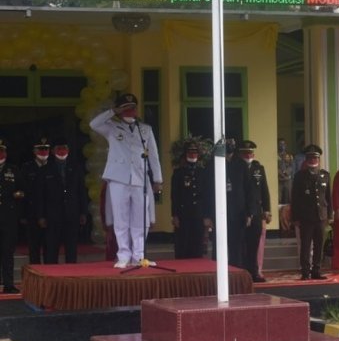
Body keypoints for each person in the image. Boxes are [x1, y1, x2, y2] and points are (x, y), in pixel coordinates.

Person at [90, 93, 163, 268]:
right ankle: (123, 254)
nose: (130, 111)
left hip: (139, 177)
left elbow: (153, 155)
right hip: (118, 178)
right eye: (126, 108)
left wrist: (158, 178)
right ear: (120, 110)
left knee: (141, 219)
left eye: (133, 107)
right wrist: (112, 111)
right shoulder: (112, 127)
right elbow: (93, 124)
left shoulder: (145, 129)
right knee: (121, 218)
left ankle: (139, 255)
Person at [36, 138, 87, 264]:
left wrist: (83, 212)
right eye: (59, 148)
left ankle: (71, 277)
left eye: (64, 148)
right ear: (53, 151)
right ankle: (51, 277)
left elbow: (82, 192)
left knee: (71, 248)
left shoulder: (76, 168)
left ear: (68, 150)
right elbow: (40, 195)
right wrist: (41, 216)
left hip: (72, 213)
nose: (62, 151)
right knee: (51, 248)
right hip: (52, 215)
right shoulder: (45, 170)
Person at [203, 137, 251, 268]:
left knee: (237, 248)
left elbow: (249, 190)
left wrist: (249, 213)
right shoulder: (213, 165)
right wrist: (207, 215)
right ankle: (217, 275)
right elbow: (206, 192)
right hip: (217, 213)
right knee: (218, 247)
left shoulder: (241, 165)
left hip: (238, 213)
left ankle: (236, 275)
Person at [291, 144, 332, 280]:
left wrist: (329, 216)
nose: (312, 160)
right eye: (310, 158)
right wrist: (295, 217)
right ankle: (305, 271)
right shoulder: (300, 176)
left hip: (321, 216)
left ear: (319, 159)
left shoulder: (325, 175)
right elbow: (295, 198)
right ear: (306, 160)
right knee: (306, 246)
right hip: (306, 217)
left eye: (315, 158)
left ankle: (317, 270)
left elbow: (328, 197)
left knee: (319, 245)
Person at [170, 141, 210, 259]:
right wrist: (175, 215)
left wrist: (207, 216)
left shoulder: (203, 172)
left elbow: (207, 195)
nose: (193, 155)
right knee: (182, 245)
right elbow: (174, 195)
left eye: (195, 152)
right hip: (183, 214)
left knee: (197, 246)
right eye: (190, 152)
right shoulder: (178, 173)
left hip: (199, 214)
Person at [239, 140, 271, 282]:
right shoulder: (235, 168)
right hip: (241, 212)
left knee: (254, 244)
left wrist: (267, 210)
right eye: (245, 153)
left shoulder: (259, 168)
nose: (248, 155)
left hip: (257, 211)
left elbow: (264, 190)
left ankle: (254, 272)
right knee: (241, 244)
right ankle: (241, 273)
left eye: (250, 152)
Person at [20, 137, 50, 264]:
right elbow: (23, 193)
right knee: (34, 248)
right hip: (32, 213)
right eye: (40, 149)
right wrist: (23, 214)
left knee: (50, 248)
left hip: (50, 213)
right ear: (34, 150)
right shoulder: (27, 168)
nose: (43, 152)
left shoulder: (53, 166)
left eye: (45, 149)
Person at [0, 139, 23, 293]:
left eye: (2, 151)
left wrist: (19, 194)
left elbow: (22, 190)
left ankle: (8, 284)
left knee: (7, 251)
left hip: (8, 216)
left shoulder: (13, 169)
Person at [277, 138, 294, 204]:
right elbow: (274, 166)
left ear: (286, 145)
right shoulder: (275, 155)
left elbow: (292, 166)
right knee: (279, 199)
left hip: (287, 180)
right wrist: (280, 173)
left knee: (288, 198)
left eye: (283, 144)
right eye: (280, 144)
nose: (282, 145)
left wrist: (286, 172)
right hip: (279, 180)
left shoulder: (289, 155)